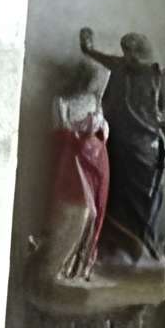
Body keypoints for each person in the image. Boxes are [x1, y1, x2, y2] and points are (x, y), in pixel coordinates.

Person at [79, 27, 165, 263]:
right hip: (120, 144)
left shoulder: (159, 77)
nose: (127, 58)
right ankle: (118, 246)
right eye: (125, 53)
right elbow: (97, 55)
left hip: (145, 148)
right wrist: (88, 46)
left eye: (131, 54)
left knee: (144, 198)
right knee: (116, 195)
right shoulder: (122, 67)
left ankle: (144, 245)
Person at [38, 82, 111, 286]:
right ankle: (59, 266)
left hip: (91, 163)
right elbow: (59, 132)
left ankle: (77, 266)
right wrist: (77, 136)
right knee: (76, 214)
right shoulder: (61, 102)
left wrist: (93, 132)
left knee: (93, 214)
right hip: (72, 166)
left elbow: (103, 131)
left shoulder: (95, 101)